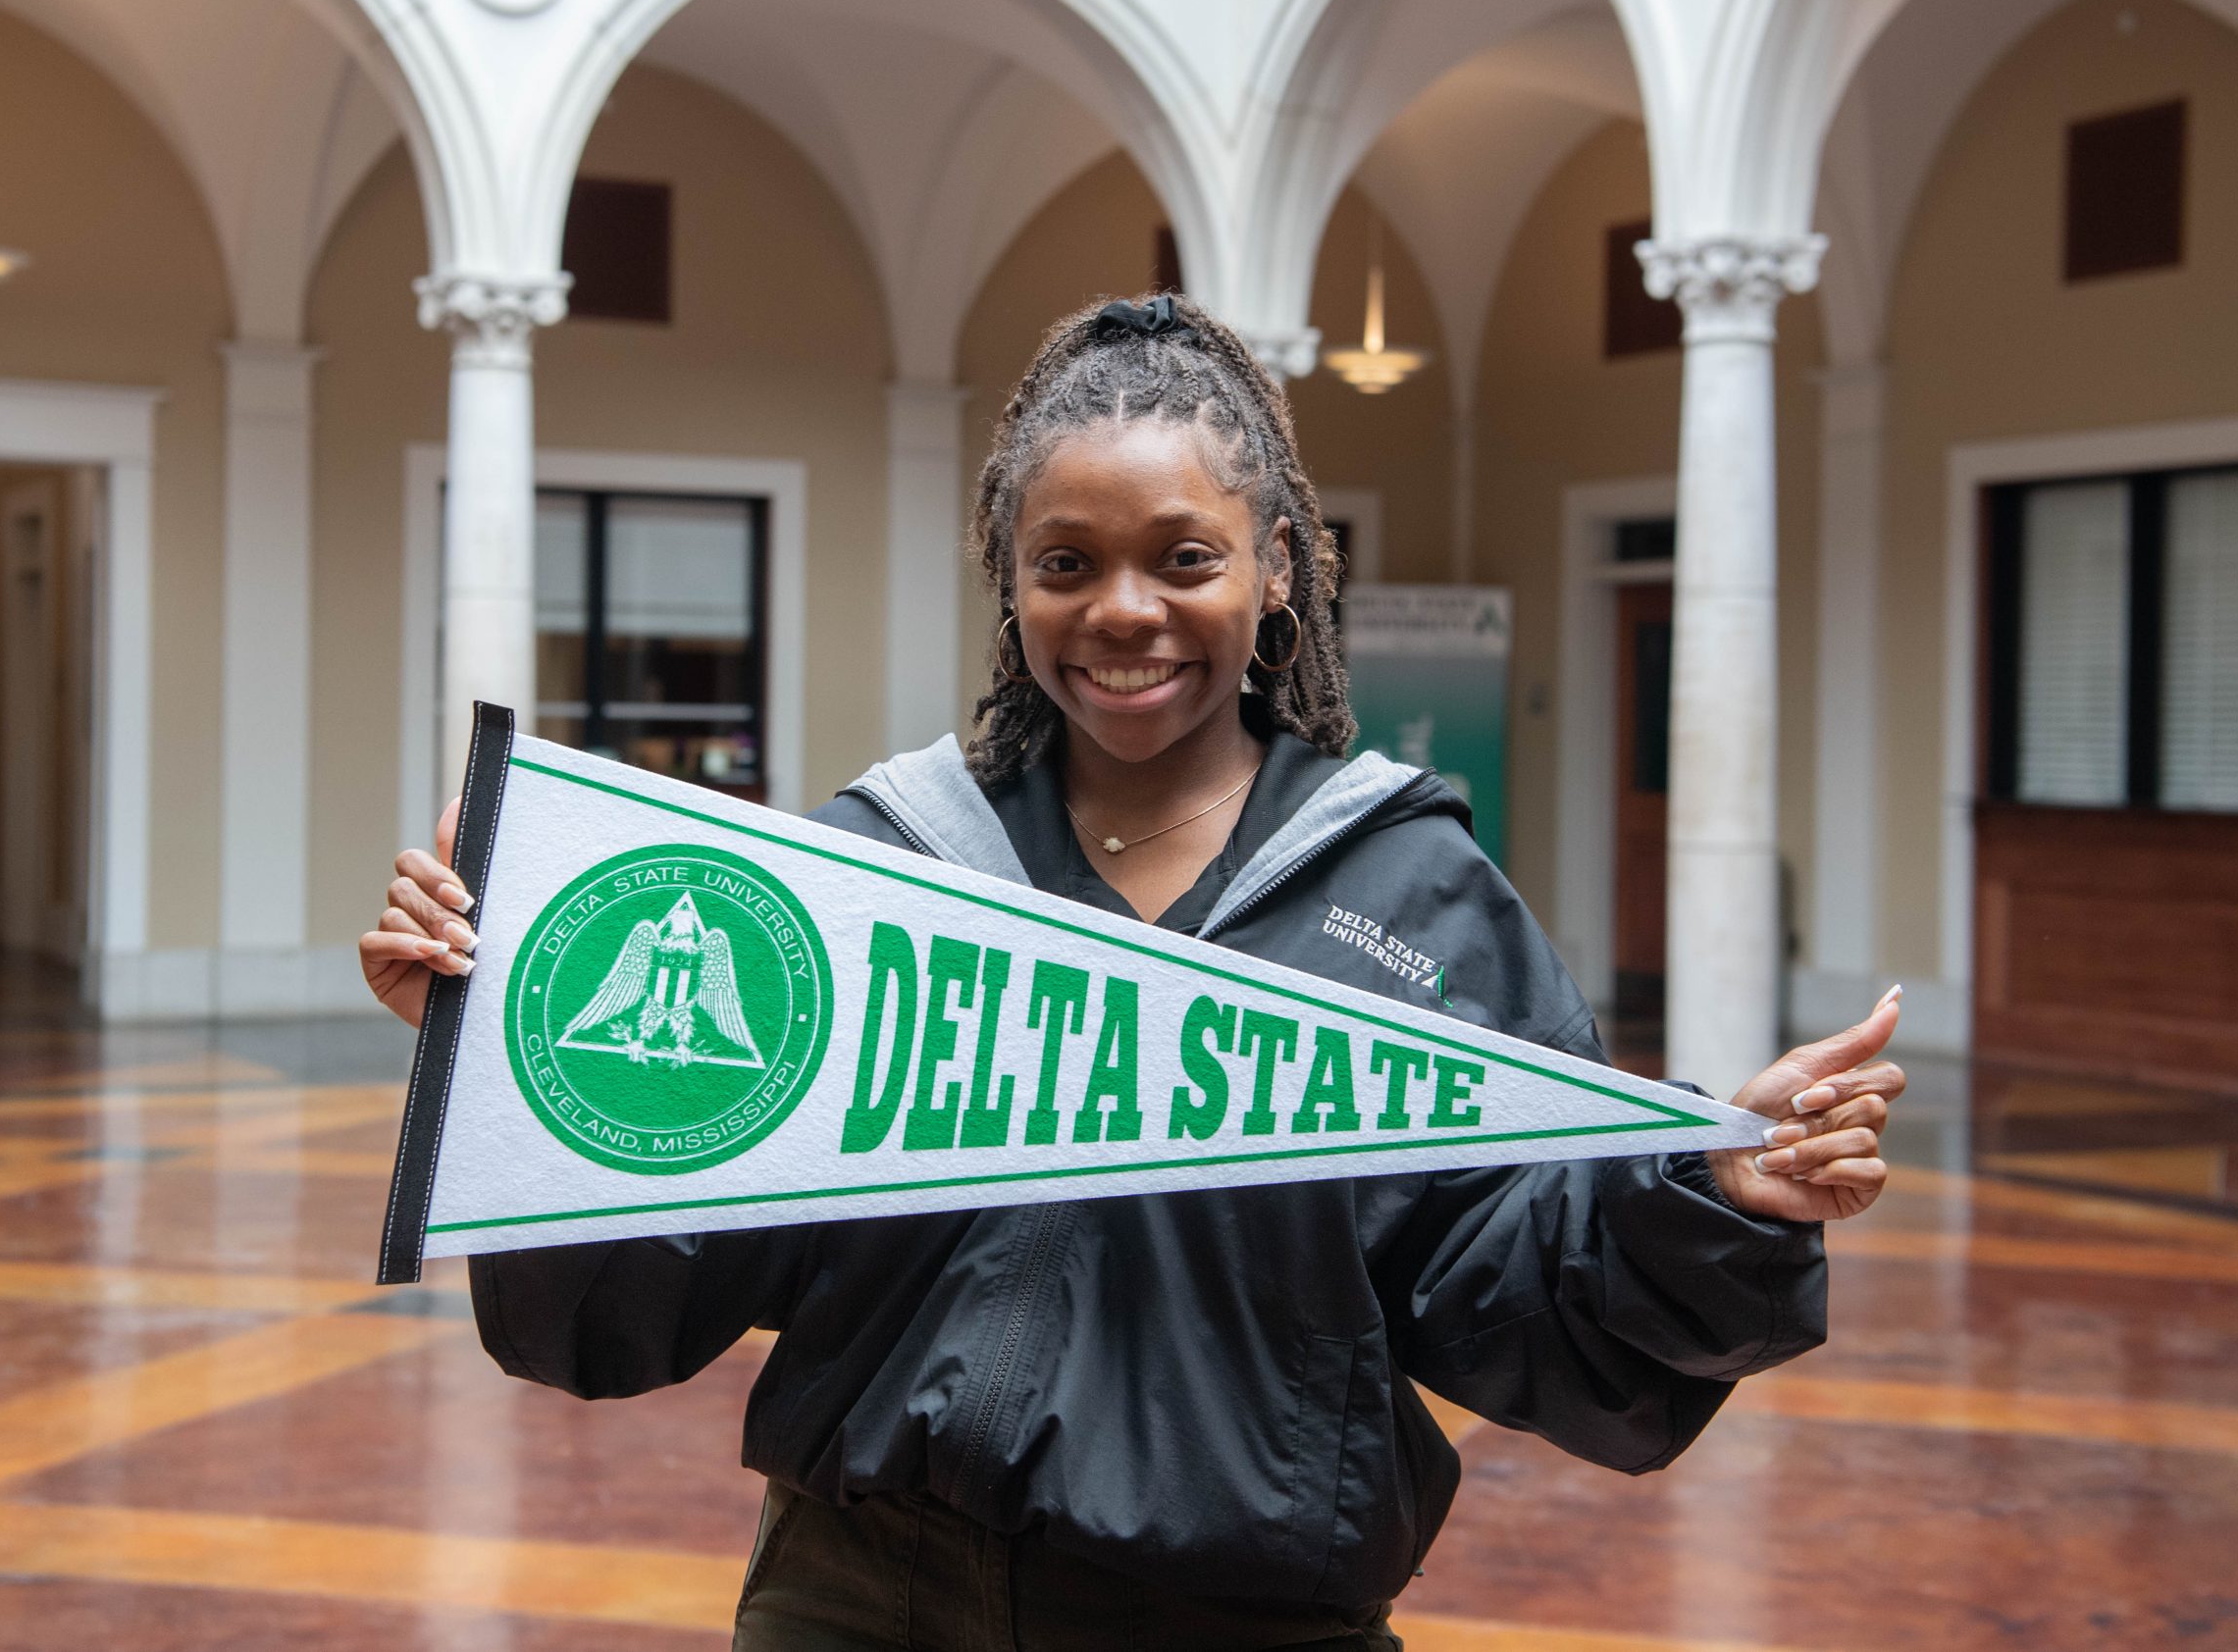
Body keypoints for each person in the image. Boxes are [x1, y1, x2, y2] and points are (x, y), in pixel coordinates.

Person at [361, 294, 1903, 1650]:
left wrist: (1717, 1194)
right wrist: (506, 1033)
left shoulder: (1415, 896)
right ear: (1009, 576)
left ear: (1277, 565)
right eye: (1066, 563)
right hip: (858, 1602)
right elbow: (695, 1228)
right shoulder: (888, 860)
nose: (1123, 612)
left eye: (1184, 558)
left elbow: (1511, 1276)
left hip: (1240, 1625)